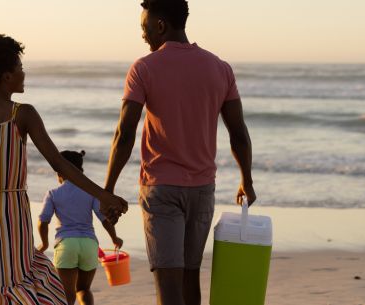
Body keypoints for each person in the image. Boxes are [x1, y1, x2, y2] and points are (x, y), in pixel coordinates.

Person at [0, 34, 128, 305]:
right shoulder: (24, 114)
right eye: (20, 68)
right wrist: (103, 195)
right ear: (7, 76)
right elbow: (60, 164)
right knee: (19, 278)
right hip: (11, 211)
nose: (24, 73)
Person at [103, 1, 257, 304]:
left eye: (144, 27)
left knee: (168, 284)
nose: (143, 35)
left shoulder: (144, 68)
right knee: (190, 279)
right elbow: (238, 133)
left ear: (160, 25)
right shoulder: (220, 68)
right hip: (202, 190)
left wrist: (107, 189)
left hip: (162, 190)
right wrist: (246, 180)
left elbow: (124, 134)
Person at [37, 150, 123, 305]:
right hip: (89, 244)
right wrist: (114, 238)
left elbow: (43, 221)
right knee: (83, 289)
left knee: (67, 294)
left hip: (66, 245)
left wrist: (44, 244)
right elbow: (104, 218)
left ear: (60, 172)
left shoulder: (53, 193)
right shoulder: (90, 192)